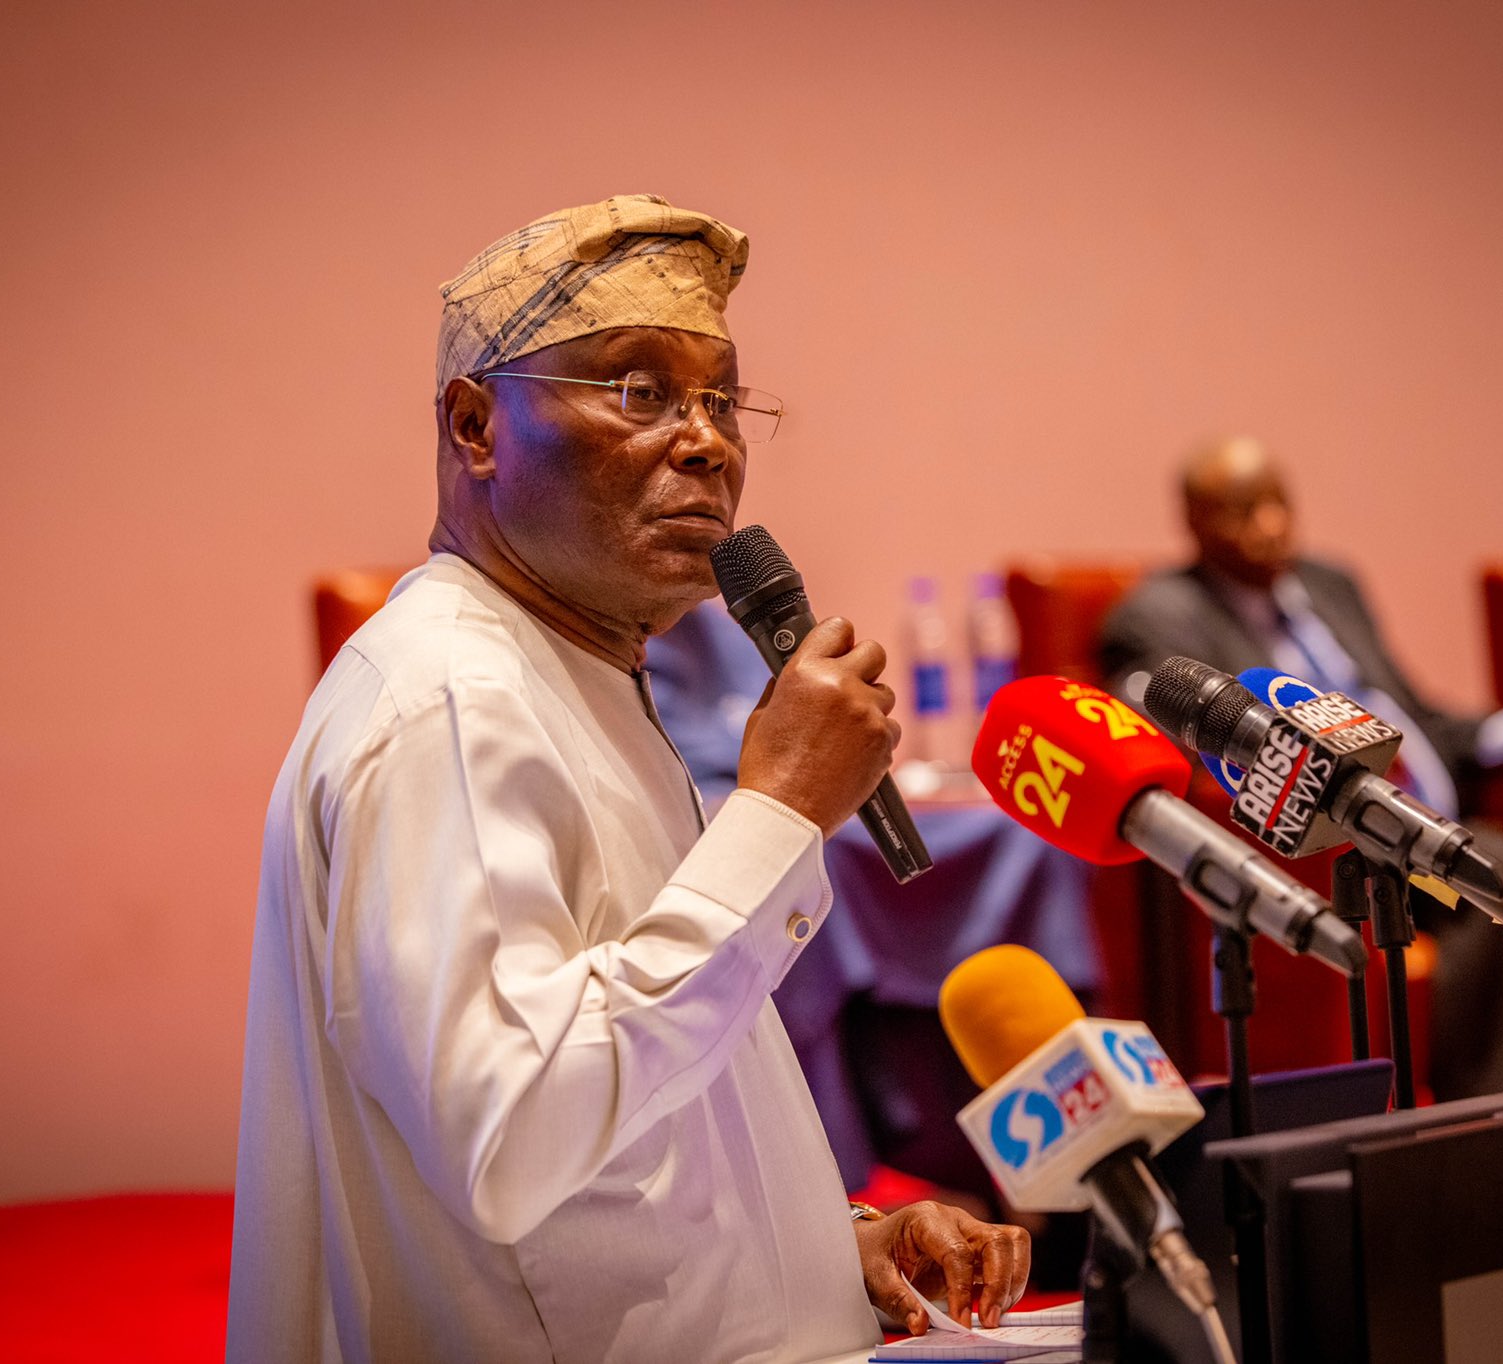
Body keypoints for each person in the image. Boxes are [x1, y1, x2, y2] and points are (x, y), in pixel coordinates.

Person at [227, 196, 1028, 1363]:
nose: (704, 440)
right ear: (475, 425)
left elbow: (618, 1125)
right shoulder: (453, 698)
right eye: (638, 391)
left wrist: (825, 1244)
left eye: (719, 400)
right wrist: (778, 810)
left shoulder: (576, 671)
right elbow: (508, 1138)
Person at [1097, 435, 1503, 1100]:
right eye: (1243, 509)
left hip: (1447, 822)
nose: (1271, 525)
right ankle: (1497, 1135)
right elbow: (1199, 752)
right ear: (1194, 520)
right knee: (1486, 905)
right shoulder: (1156, 619)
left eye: (1280, 502)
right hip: (1340, 852)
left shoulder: (1327, 585)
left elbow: (1417, 717)